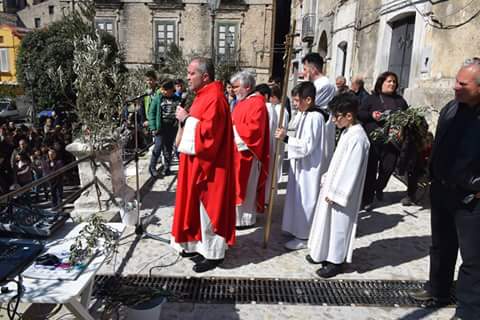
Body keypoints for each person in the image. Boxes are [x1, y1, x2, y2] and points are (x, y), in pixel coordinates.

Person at [410, 58, 480, 320]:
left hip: (471, 198)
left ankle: (469, 311)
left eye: (463, 83)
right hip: (442, 191)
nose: (455, 87)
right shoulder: (451, 109)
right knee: (440, 246)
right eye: (455, 81)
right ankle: (438, 289)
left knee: (473, 259)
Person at [171, 57, 236, 273]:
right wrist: (186, 120)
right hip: (198, 164)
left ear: (205, 76)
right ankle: (198, 246)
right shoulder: (202, 96)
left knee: (210, 211)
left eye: (191, 74)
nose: (187, 78)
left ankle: (214, 254)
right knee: (198, 210)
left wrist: (187, 119)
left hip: (211, 168)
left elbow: (209, 135)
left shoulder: (215, 98)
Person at [307, 93, 370, 278]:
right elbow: (339, 161)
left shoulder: (358, 138)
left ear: (349, 116)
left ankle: (336, 261)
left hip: (343, 193)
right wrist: (328, 177)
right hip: (332, 188)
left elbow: (351, 170)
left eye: (336, 116)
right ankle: (323, 253)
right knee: (327, 223)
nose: (333, 120)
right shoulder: (347, 132)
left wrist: (337, 193)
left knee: (339, 226)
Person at [275, 82, 327, 250]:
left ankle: (304, 236)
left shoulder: (315, 117)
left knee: (306, 199)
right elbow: (294, 128)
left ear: (309, 99)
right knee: (296, 198)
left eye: (297, 101)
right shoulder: (305, 114)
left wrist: (286, 139)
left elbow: (307, 146)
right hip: (300, 164)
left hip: (309, 167)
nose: (295, 104)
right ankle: (293, 228)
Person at [358, 71, 408, 210]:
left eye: (394, 82)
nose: (392, 84)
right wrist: (372, 115)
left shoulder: (400, 101)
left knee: (388, 168)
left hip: (391, 142)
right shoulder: (371, 99)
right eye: (389, 81)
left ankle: (378, 187)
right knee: (370, 170)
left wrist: (402, 128)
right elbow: (360, 113)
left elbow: (406, 118)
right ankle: (367, 199)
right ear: (381, 83)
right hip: (373, 141)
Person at [231, 71, 270, 228]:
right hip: (236, 151)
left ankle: (245, 220)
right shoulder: (242, 102)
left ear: (247, 87)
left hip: (248, 152)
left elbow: (254, 130)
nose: (233, 90)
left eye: (236, 87)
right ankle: (235, 218)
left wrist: (232, 129)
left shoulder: (257, 103)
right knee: (236, 184)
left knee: (246, 185)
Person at [302, 53, 336, 169]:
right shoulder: (316, 84)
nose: (303, 73)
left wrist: (305, 86)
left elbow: (306, 105)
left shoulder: (324, 85)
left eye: (305, 69)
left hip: (320, 125)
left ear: (314, 69)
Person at [148, 80, 181, 177]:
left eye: (165, 89)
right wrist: (153, 127)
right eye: (162, 89)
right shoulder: (158, 99)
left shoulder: (177, 99)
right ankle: (152, 167)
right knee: (158, 147)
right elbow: (152, 113)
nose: (162, 91)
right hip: (161, 127)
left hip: (172, 127)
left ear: (171, 90)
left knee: (168, 148)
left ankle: (167, 168)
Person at [263, 84, 289, 202]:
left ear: (273, 97)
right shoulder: (272, 108)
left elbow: (281, 128)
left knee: (273, 174)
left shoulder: (282, 110)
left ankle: (270, 199)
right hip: (271, 144)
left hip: (276, 145)